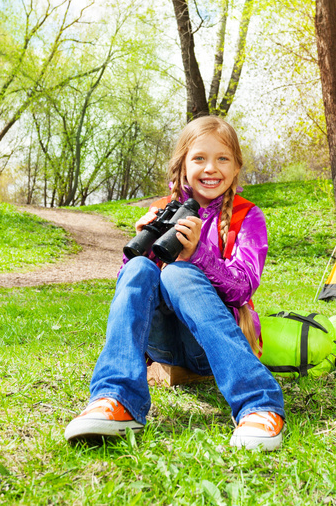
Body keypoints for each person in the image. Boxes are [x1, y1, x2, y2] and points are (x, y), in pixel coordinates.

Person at [64, 115, 286, 451]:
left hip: (210, 349)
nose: (211, 168)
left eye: (222, 158)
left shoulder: (248, 217)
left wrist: (198, 254)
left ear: (237, 166)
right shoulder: (163, 211)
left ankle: (259, 402)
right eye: (199, 158)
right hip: (163, 348)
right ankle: (117, 398)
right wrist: (138, 248)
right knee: (140, 269)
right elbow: (136, 293)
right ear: (182, 165)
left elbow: (242, 289)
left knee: (179, 272)